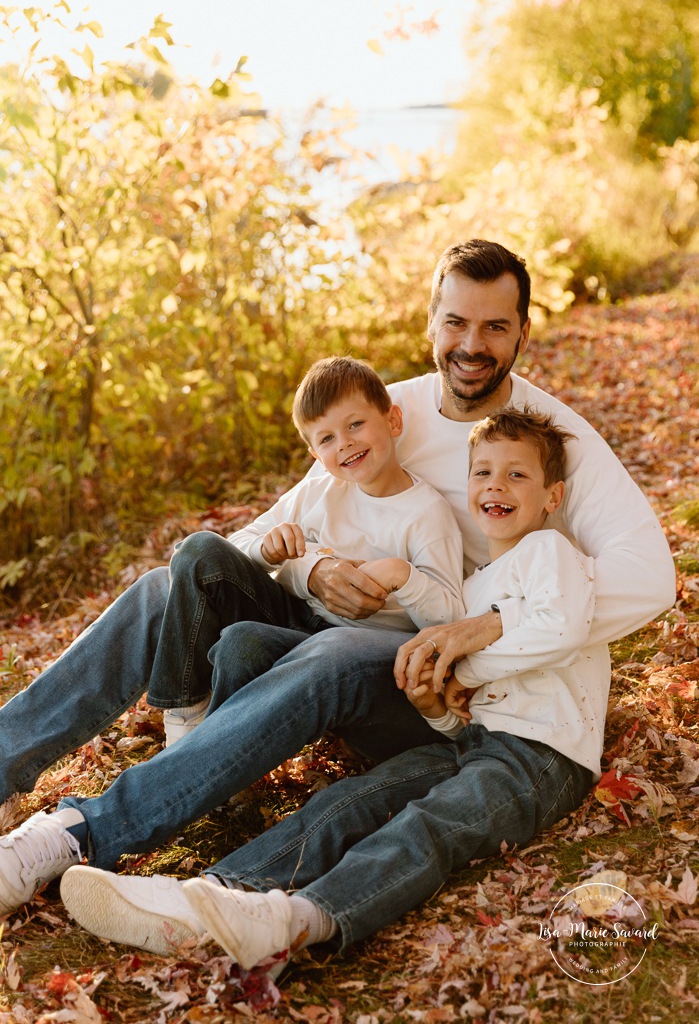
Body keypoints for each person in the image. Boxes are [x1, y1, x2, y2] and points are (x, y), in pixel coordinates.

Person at [0, 240, 674, 920]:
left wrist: (489, 633)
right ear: (430, 322)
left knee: (337, 652)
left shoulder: (554, 440)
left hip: (423, 682)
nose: (472, 345)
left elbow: (648, 578)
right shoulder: (386, 413)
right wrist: (314, 569)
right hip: (340, 626)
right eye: (456, 323)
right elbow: (258, 537)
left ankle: (80, 832)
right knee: (164, 588)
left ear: (523, 332)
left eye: (495, 327)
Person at [57, 408, 607, 973]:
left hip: (542, 754)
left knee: (430, 827)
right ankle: (219, 893)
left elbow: (561, 630)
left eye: (517, 475)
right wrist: (434, 707)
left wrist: (465, 667)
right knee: (348, 802)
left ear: (552, 496)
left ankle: (301, 918)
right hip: (469, 742)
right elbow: (464, 710)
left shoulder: (552, 552)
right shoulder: (471, 588)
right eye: (482, 473)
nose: (495, 485)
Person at [0, 355, 465, 914]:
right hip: (301, 628)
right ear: (313, 450)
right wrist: (293, 561)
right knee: (181, 572)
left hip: (374, 664)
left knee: (255, 640)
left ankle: (164, 777)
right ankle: (168, 718)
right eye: (327, 438)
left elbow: (448, 616)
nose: (344, 444)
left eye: (355, 426)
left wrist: (402, 577)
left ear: (392, 421)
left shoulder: (427, 510)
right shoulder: (324, 485)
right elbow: (236, 545)